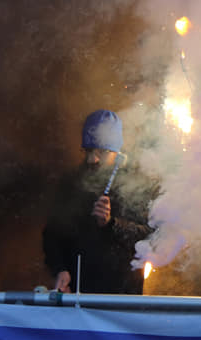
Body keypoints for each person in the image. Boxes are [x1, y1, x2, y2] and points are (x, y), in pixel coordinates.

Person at [42, 110, 154, 294]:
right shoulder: (71, 183)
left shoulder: (137, 185)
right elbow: (52, 234)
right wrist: (60, 268)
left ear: (116, 152)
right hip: (79, 292)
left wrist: (112, 224)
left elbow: (148, 237)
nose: (92, 159)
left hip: (122, 297)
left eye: (101, 151)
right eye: (88, 151)